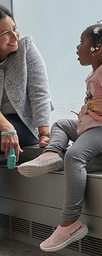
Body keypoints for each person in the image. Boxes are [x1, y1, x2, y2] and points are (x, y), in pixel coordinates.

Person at [18, 20, 102, 252]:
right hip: (92, 126)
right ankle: (51, 153)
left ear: (97, 48)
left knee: (74, 156)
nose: (77, 47)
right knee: (61, 123)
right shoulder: (98, 71)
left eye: (82, 42)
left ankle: (70, 222)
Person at [0, 5, 53, 162]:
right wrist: (6, 127)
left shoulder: (26, 47)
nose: (15, 37)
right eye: (5, 33)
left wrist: (44, 134)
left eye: (14, 28)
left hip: (23, 123)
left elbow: (40, 92)